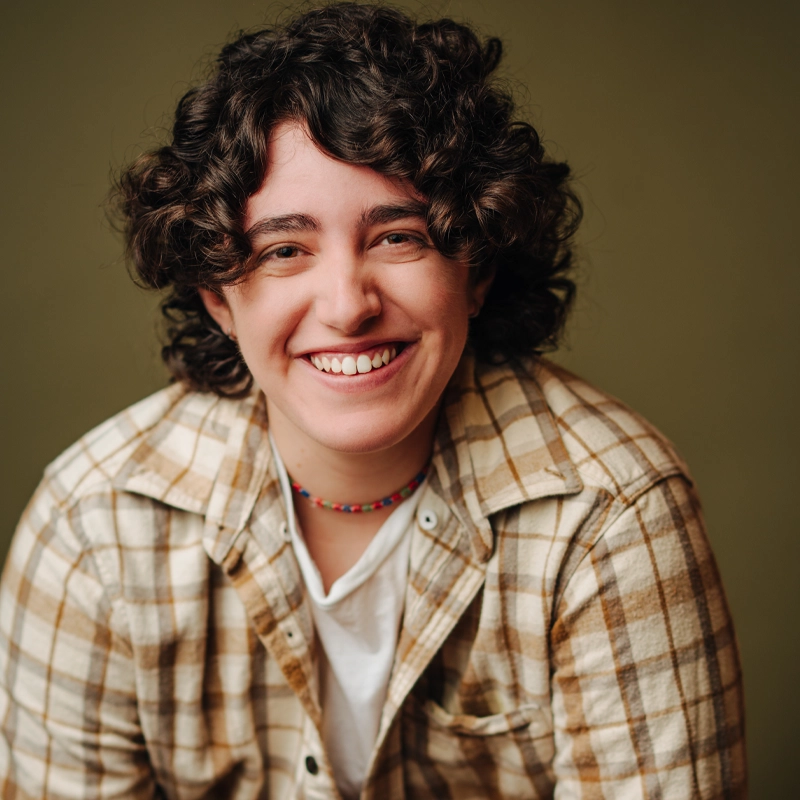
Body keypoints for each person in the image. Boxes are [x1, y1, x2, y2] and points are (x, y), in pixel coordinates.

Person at [0, 3, 746, 798]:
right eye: (285, 250)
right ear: (219, 297)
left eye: (399, 237)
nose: (347, 306)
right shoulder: (96, 525)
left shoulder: (611, 514)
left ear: (478, 268)